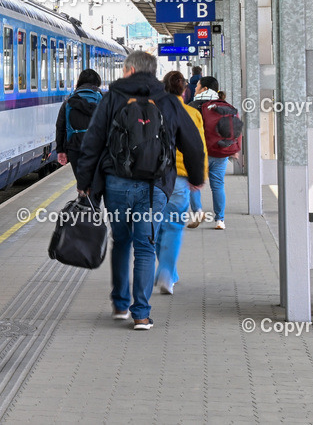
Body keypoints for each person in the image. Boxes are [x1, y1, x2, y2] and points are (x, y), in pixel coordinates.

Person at [75, 50, 205, 330]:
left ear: (131, 71)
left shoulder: (111, 99)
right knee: (145, 246)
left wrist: (84, 183)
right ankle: (141, 315)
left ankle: (121, 305)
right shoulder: (169, 101)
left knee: (121, 241)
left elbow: (92, 143)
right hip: (154, 186)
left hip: (117, 183)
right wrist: (195, 177)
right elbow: (192, 143)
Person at [155, 71, 208, 294]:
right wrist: (199, 177)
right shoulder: (192, 113)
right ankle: (167, 273)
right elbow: (199, 148)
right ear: (184, 90)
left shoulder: (151, 112)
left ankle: (168, 271)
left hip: (154, 178)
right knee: (174, 226)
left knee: (154, 226)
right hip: (180, 177)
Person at [188, 75, 231, 230]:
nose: (195, 89)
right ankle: (220, 220)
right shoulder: (224, 104)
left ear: (204, 89)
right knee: (218, 185)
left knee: (194, 184)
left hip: (200, 153)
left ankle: (198, 212)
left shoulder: (193, 105)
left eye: (197, 86)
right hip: (220, 152)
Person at [55, 69, 103, 179]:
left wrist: (60, 150)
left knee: (82, 180)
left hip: (74, 146)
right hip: (97, 145)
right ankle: (91, 195)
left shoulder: (69, 100)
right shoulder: (102, 99)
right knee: (96, 180)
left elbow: (60, 126)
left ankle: (83, 194)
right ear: (97, 82)